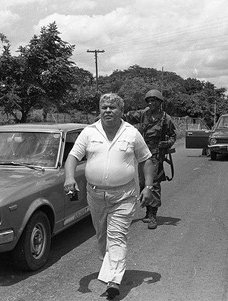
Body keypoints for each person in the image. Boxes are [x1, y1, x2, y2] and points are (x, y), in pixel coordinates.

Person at [64, 93, 154, 299]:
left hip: (124, 194)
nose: (108, 111)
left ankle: (114, 281)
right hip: (95, 195)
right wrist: (69, 178)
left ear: (121, 111)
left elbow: (147, 159)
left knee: (117, 236)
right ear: (99, 110)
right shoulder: (89, 132)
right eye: (104, 107)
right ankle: (112, 267)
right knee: (102, 236)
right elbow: (73, 156)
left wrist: (148, 186)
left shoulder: (132, 133)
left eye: (113, 107)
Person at [123, 89, 177, 229]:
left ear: (160, 102)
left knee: (153, 184)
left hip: (155, 155)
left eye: (154, 101)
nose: (151, 103)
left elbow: (172, 136)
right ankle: (148, 211)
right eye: (149, 101)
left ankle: (153, 215)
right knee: (143, 183)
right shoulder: (142, 114)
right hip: (142, 153)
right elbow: (126, 116)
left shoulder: (166, 118)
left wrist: (167, 143)